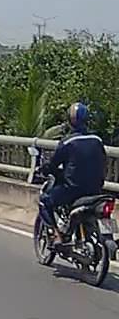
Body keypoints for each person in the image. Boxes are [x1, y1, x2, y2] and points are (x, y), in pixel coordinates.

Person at [38, 102, 106, 243]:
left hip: (73, 189)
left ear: (70, 120)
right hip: (96, 189)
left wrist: (44, 169)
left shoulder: (68, 142)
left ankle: (54, 235)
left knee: (45, 201)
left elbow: (53, 164)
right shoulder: (97, 140)